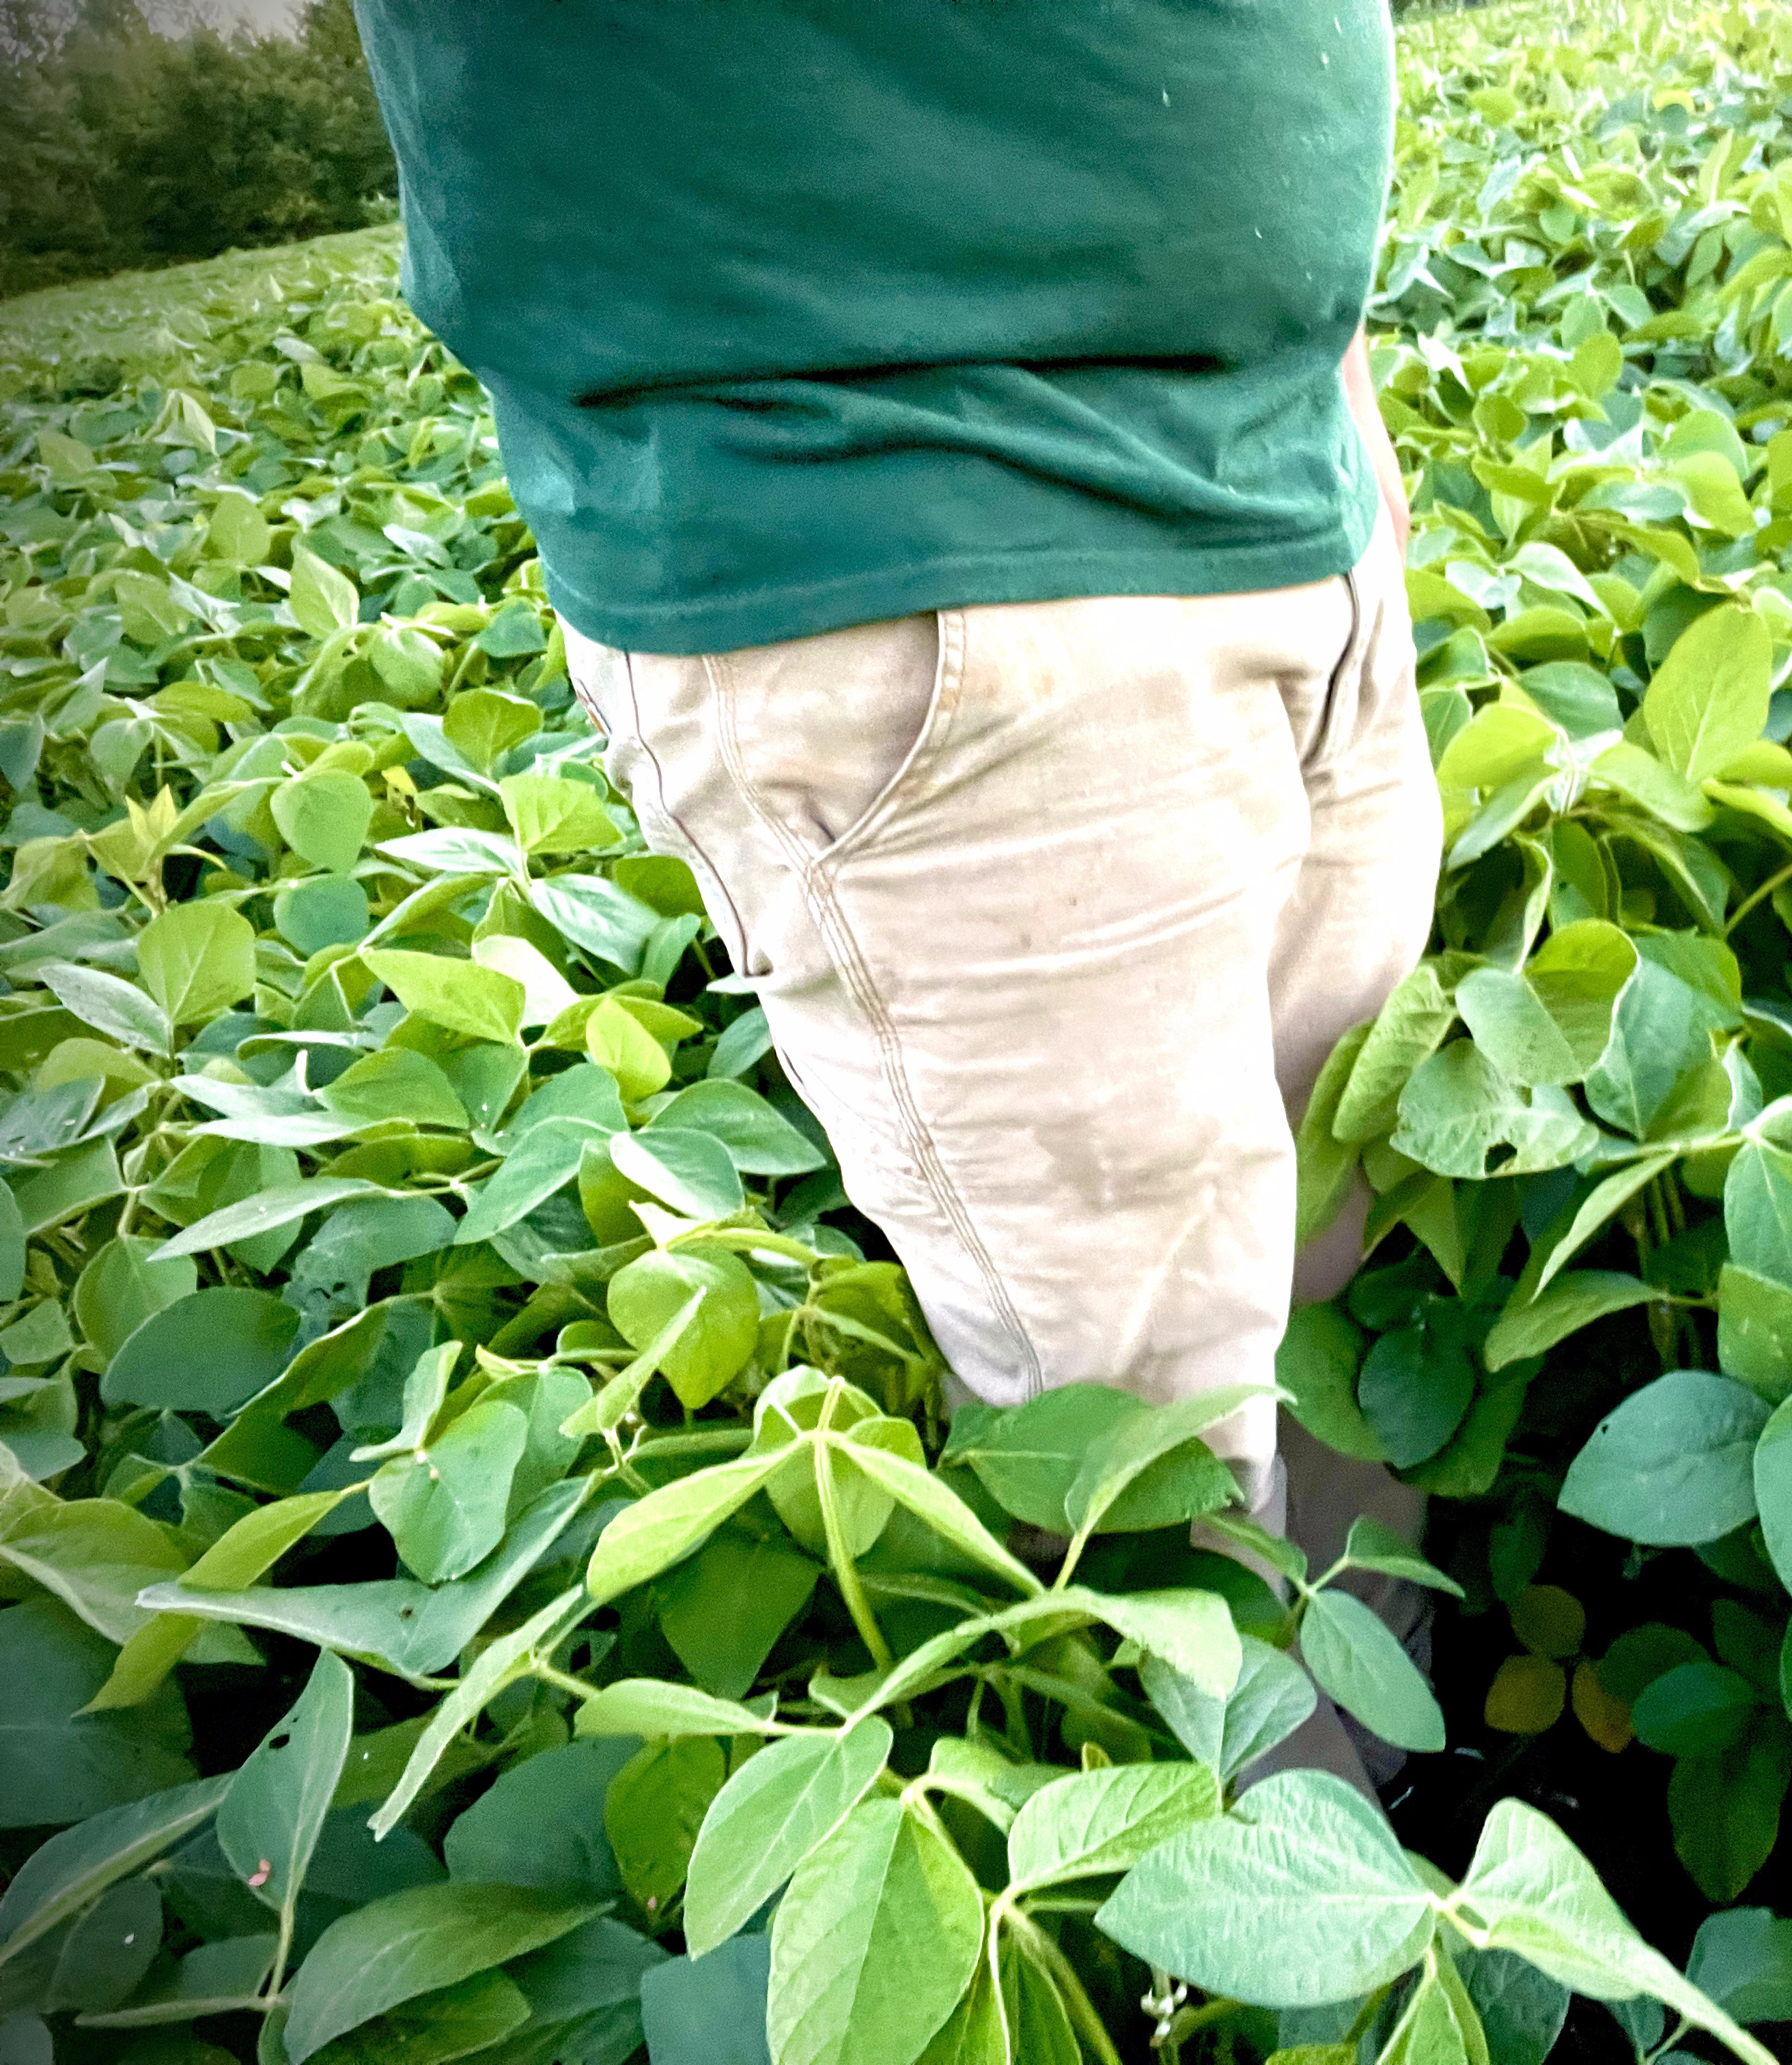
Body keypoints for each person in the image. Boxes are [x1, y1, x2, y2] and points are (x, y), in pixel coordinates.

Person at [350, 1, 1437, 1729]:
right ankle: (1279, 1950)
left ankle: (1394, 1785)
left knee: (1342, 1229)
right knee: (1149, 1458)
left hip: (1288, 417)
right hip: (894, 499)